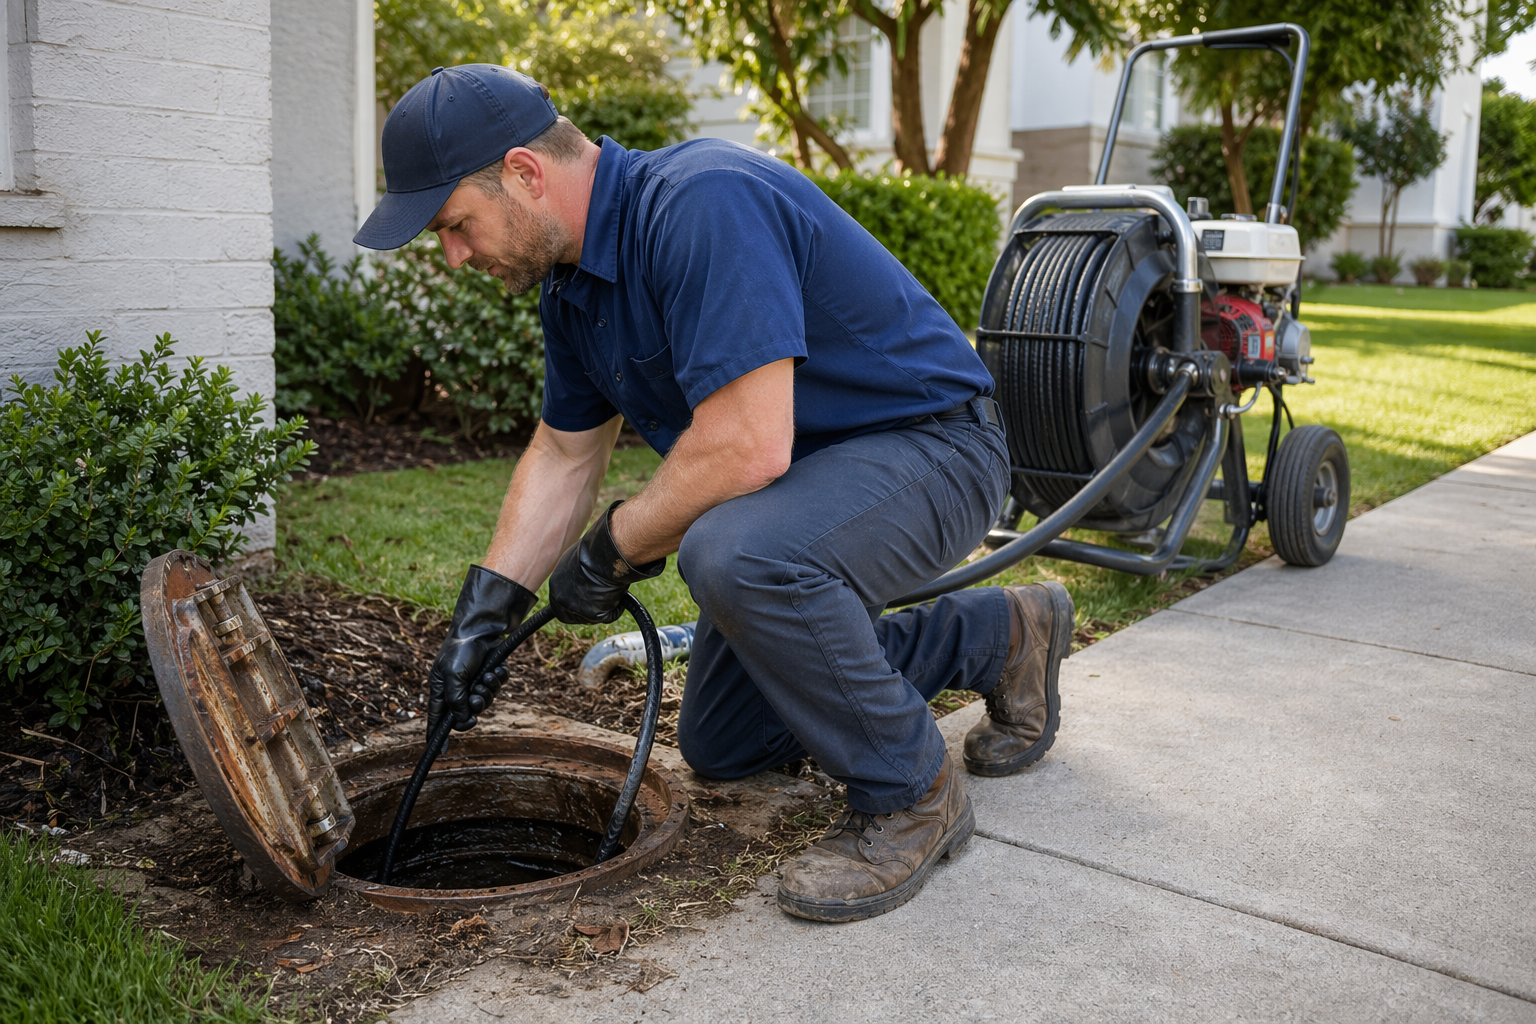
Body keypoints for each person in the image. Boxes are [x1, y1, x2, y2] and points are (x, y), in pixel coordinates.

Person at [354, 64, 1075, 923]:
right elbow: (562, 453)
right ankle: (1001, 635)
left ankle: (911, 795)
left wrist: (614, 546)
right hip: (809, 490)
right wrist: (486, 615)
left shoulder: (702, 204)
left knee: (732, 551)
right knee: (726, 742)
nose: (455, 254)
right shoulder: (574, 292)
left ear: (524, 173)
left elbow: (747, 446)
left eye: (456, 225)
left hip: (935, 449)